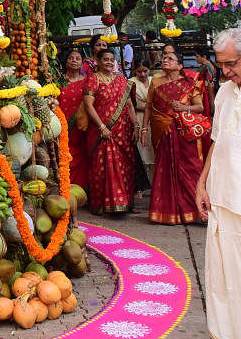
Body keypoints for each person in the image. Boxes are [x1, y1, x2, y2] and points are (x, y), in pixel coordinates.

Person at [196, 28, 241, 339]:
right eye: (223, 64)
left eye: (233, 64)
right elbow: (216, 140)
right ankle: (229, 334)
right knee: (225, 273)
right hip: (222, 196)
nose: (227, 71)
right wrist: (202, 183)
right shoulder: (224, 93)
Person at [142, 48, 205, 225]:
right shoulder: (154, 81)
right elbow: (148, 106)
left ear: (179, 65)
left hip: (184, 133)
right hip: (161, 131)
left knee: (190, 169)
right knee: (164, 170)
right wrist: (144, 129)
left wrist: (184, 108)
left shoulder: (189, 83)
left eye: (170, 58)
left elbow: (199, 107)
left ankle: (194, 210)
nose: (165, 60)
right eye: (164, 58)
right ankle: (167, 212)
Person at [83, 48, 138, 214]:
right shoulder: (93, 80)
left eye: (111, 59)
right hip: (101, 132)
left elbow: (128, 105)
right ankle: (102, 204)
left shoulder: (121, 81)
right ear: (98, 61)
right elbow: (88, 105)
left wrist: (136, 126)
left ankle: (125, 202)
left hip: (122, 131)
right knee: (103, 166)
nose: (108, 62)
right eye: (105, 59)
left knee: (125, 166)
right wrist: (102, 127)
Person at [58, 47, 94, 192]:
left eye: (78, 58)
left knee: (82, 158)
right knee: (65, 157)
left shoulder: (88, 82)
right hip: (62, 128)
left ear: (82, 63)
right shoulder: (58, 81)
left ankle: (80, 191)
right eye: (71, 58)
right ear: (66, 62)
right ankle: (65, 190)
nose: (74, 61)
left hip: (81, 129)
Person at [131, 61, 155, 188]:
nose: (142, 74)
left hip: (154, 118)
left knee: (153, 149)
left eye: (145, 71)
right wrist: (147, 107)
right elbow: (130, 104)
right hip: (138, 118)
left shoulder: (154, 81)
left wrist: (151, 108)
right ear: (135, 71)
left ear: (149, 70)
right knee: (141, 149)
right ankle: (141, 186)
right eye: (139, 71)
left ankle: (154, 183)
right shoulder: (131, 82)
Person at [194, 47, 218, 115]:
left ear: (204, 56)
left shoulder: (207, 67)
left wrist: (211, 104)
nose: (196, 59)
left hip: (208, 93)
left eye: (197, 56)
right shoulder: (208, 65)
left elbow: (210, 84)